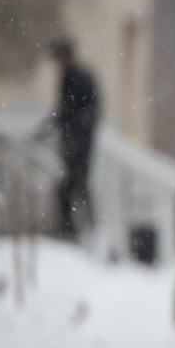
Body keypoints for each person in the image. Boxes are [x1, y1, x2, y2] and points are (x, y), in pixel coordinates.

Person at [47, 38, 101, 239]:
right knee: (73, 187)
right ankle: (78, 229)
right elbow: (66, 111)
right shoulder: (73, 77)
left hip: (79, 142)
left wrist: (75, 134)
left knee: (74, 186)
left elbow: (80, 111)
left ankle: (77, 230)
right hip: (76, 140)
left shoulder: (77, 78)